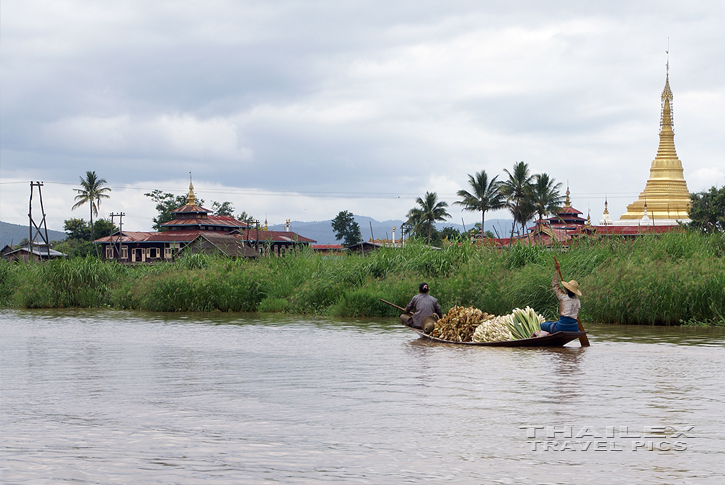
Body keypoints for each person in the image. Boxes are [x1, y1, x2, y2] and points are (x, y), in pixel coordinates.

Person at [540, 260, 581, 334]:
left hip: (562, 326)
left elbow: (555, 285)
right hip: (574, 327)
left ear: (567, 290)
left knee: (543, 325)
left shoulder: (563, 297)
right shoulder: (578, 302)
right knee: (553, 323)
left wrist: (557, 270)